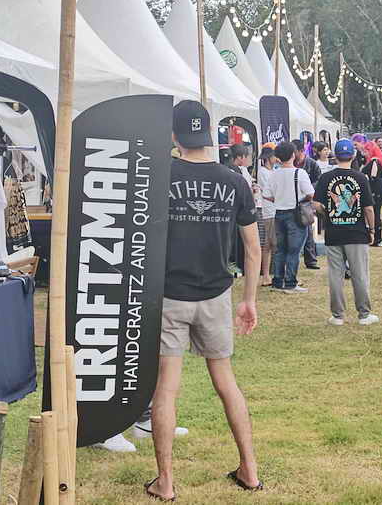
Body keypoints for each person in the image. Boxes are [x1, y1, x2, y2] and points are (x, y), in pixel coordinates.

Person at [146, 100, 262, 500]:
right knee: (226, 383)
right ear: (209, 134)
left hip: (170, 294)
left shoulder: (159, 176)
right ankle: (249, 470)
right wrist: (249, 300)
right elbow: (253, 248)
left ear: (174, 136)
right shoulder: (235, 180)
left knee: (166, 389)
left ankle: (165, 481)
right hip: (216, 294)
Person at [313, 139, 380, 326]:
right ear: (353, 155)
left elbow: (316, 204)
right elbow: (368, 208)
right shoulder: (360, 178)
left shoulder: (326, 178)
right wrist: (372, 229)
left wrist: (328, 213)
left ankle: (337, 316)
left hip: (334, 233)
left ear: (335, 155)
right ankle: (364, 315)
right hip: (356, 234)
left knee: (335, 275)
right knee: (360, 275)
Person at [263, 141, 314, 293]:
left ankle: (278, 281)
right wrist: (301, 199)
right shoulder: (300, 173)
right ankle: (290, 282)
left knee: (280, 249)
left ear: (278, 157)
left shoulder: (273, 174)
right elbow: (310, 194)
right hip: (295, 214)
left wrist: (278, 199)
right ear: (293, 155)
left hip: (278, 213)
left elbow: (266, 195)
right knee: (294, 250)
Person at [292, 139, 322, 270]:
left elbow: (319, 180)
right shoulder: (290, 163)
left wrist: (307, 188)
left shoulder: (312, 164)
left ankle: (311, 260)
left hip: (306, 201)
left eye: (294, 151)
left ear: (301, 151)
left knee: (308, 230)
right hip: (292, 201)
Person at [359, 139, 382, 247]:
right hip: (379, 189)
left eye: (366, 151)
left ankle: (378, 239)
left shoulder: (375, 161)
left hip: (376, 189)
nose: (365, 153)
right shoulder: (378, 160)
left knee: (375, 213)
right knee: (376, 213)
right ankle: (377, 238)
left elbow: (373, 176)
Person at [229, 144, 253, 276]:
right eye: (246, 156)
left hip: (232, 210)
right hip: (239, 210)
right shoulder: (236, 171)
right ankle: (237, 267)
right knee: (239, 241)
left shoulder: (231, 169)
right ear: (239, 157)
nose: (247, 159)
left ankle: (237, 266)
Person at [256, 146, 277, 286]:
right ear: (269, 158)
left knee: (269, 244)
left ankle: (268, 275)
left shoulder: (273, 171)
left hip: (274, 209)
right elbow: (269, 191)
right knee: (269, 244)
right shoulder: (263, 172)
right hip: (269, 210)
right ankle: (266, 275)